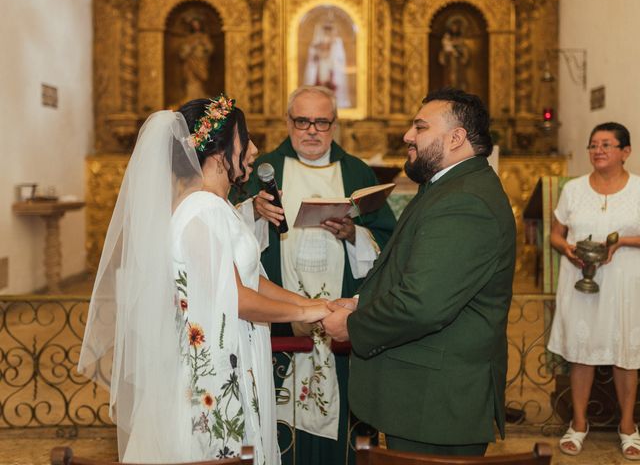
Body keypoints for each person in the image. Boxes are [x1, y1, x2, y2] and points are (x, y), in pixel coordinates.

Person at [78, 95, 329, 464]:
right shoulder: (202, 209)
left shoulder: (217, 206)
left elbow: (250, 280)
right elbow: (238, 299)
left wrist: (311, 304)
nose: (254, 149)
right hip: (212, 372)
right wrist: (308, 315)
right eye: (245, 138)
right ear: (219, 151)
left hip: (233, 352)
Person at [322, 87, 516, 456]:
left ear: (456, 137)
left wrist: (353, 325)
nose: (408, 136)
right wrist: (362, 302)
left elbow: (424, 303)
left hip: (436, 403)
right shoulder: (447, 187)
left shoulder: (465, 201)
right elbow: (417, 271)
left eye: (420, 127)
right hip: (423, 395)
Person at [238, 85, 396, 464]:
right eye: (302, 120)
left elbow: (390, 242)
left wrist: (354, 234)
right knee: (280, 414)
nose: (311, 130)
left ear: (334, 125)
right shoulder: (265, 172)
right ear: (288, 122)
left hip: (339, 315)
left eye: (321, 122)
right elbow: (228, 238)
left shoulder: (355, 170)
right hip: (280, 319)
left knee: (341, 423)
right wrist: (254, 211)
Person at [547, 122, 640, 460]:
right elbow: (556, 235)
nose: (598, 150)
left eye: (606, 144)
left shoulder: (639, 189)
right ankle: (579, 423)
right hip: (582, 282)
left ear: (625, 152)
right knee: (581, 352)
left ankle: (628, 426)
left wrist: (622, 242)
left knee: (626, 354)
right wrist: (567, 249)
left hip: (626, 284)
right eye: (593, 144)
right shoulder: (573, 189)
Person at [303, 19, 351, 108]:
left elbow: (339, 59)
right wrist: (318, 52)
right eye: (325, 29)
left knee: (331, 87)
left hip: (331, 68)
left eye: (329, 29)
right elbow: (313, 58)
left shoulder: (336, 42)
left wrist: (331, 49)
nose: (327, 32)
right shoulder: (317, 42)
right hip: (320, 68)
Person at [179, 17, 214, 103]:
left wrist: (204, 46)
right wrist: (192, 46)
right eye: (194, 25)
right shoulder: (188, 38)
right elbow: (183, 52)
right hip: (190, 61)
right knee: (191, 79)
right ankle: (191, 97)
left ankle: (199, 97)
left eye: (197, 24)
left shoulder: (204, 37)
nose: (196, 26)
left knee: (200, 80)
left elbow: (210, 49)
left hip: (201, 60)